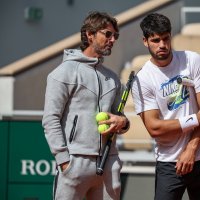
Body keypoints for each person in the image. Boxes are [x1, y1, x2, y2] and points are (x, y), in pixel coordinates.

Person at [42, 11, 130, 200]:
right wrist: (64, 161)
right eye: (107, 34)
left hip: (108, 163)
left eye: (115, 36)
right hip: (75, 163)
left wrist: (123, 122)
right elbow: (50, 119)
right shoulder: (63, 73)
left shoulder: (113, 78)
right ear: (90, 34)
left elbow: (120, 119)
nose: (113, 39)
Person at [131, 13, 200, 200]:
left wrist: (191, 149)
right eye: (155, 40)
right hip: (169, 163)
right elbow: (155, 128)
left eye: (165, 38)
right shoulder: (143, 79)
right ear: (145, 41)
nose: (162, 45)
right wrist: (194, 118)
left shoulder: (192, 60)